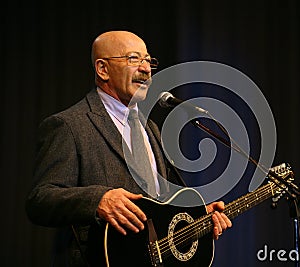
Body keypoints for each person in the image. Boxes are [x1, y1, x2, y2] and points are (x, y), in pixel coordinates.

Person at [26, 30, 232, 266]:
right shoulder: (70, 125)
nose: (146, 69)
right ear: (102, 69)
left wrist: (197, 215)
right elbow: (39, 200)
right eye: (134, 59)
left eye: (148, 61)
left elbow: (158, 203)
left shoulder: (150, 128)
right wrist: (98, 200)